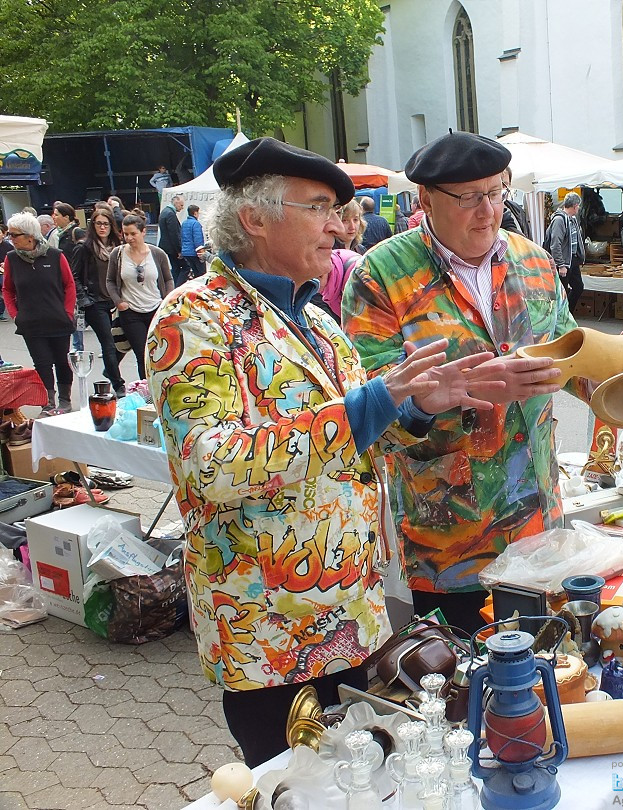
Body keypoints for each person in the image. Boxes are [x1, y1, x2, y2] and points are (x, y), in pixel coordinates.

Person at [146, 137, 503, 765]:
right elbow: (212, 467)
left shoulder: (317, 320)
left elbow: (356, 445)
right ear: (254, 218)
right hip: (271, 635)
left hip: (353, 618)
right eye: (319, 208)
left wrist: (417, 407)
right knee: (299, 789)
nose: (339, 227)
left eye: (339, 209)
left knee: (365, 783)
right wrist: (368, 405)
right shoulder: (193, 317)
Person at [342, 130, 588, 632]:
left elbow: (573, 359)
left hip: (538, 524)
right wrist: (436, 401)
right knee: (464, 689)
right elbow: (368, 413)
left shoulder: (534, 262)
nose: (488, 210)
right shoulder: (381, 276)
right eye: (469, 198)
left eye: (496, 192)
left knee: (545, 679)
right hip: (450, 540)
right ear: (425, 200)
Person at [2, 212, 76, 413]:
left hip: (58, 320)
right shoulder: (11, 259)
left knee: (62, 361)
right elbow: (7, 289)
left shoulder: (55, 255)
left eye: (14, 235)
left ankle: (65, 401)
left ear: (29, 236)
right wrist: (15, 314)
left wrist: (68, 312)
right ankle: (48, 403)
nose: (10, 238)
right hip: (30, 323)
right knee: (42, 363)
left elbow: (69, 285)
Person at [107, 215, 174, 380]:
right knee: (142, 353)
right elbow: (110, 281)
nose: (129, 238)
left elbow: (168, 278)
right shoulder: (118, 254)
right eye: (125, 234)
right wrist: (118, 301)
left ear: (143, 232)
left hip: (155, 309)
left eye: (133, 234)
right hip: (130, 311)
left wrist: (167, 300)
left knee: (159, 352)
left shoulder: (157, 254)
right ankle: (147, 392)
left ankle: (162, 386)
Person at [71, 210, 126, 394]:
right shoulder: (84, 248)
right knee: (108, 343)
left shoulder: (118, 248)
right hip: (96, 302)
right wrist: (85, 300)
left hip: (117, 301)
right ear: (92, 226)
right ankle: (118, 384)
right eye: (99, 223)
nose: (102, 227)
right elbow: (75, 276)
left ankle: (110, 369)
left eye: (106, 224)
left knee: (125, 341)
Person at [545, 192, 585, 314]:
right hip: (563, 263)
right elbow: (555, 244)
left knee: (578, 287)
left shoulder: (572, 220)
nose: (578, 208)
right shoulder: (559, 220)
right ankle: (561, 316)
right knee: (562, 291)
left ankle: (568, 313)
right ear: (575, 206)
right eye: (578, 206)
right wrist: (561, 264)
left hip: (572, 260)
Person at [157, 193, 184, 283]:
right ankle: (177, 286)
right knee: (184, 267)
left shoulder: (165, 211)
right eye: (181, 205)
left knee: (175, 268)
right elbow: (174, 234)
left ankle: (175, 285)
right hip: (171, 247)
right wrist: (179, 250)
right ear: (175, 202)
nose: (182, 207)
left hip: (166, 245)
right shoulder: (170, 214)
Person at [500, 167, 532, 239]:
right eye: (499, 184)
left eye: (505, 184)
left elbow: (527, 235)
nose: (503, 188)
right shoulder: (489, 211)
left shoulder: (516, 209)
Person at [179, 205, 205, 281]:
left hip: (186, 252)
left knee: (195, 273)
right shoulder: (196, 224)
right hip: (194, 252)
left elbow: (182, 237)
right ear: (195, 213)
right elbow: (198, 240)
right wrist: (201, 253)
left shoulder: (184, 223)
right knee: (201, 274)